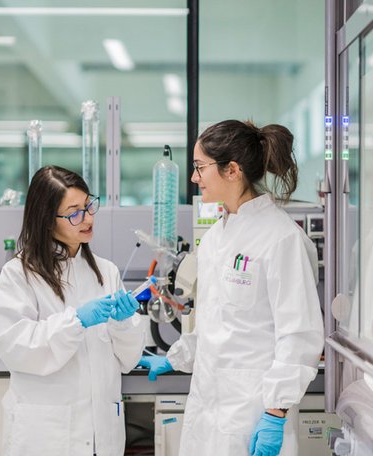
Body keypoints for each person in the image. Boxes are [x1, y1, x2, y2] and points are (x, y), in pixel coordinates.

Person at [139, 120, 324, 456]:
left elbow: (300, 336)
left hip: (253, 416)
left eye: (199, 167)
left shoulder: (282, 239)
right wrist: (176, 356)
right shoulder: (215, 239)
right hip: (207, 415)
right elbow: (219, 325)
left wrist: (275, 412)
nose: (194, 178)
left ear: (232, 171)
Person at [0, 166, 147, 456]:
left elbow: (128, 359)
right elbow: (14, 346)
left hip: (102, 435)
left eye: (88, 206)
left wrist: (124, 324)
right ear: (47, 220)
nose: (87, 218)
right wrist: (75, 321)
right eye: (74, 212)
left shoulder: (106, 272)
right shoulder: (20, 274)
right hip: (48, 437)